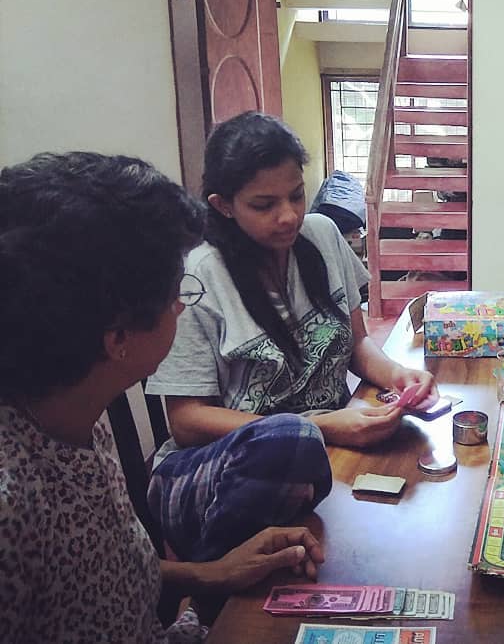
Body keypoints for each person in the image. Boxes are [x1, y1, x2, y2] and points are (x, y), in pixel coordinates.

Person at [0, 152, 324, 643]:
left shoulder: (75, 407)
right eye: (178, 293)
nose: (181, 304)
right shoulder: (12, 503)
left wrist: (209, 573)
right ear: (118, 338)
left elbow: (100, 571)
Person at [146, 112, 437, 563]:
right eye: (264, 205)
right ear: (223, 205)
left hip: (319, 456)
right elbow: (185, 421)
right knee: (291, 446)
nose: (288, 216)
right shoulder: (198, 278)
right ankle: (215, 599)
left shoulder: (321, 234)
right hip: (221, 476)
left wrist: (400, 375)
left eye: (297, 195)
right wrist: (321, 426)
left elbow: (357, 344)